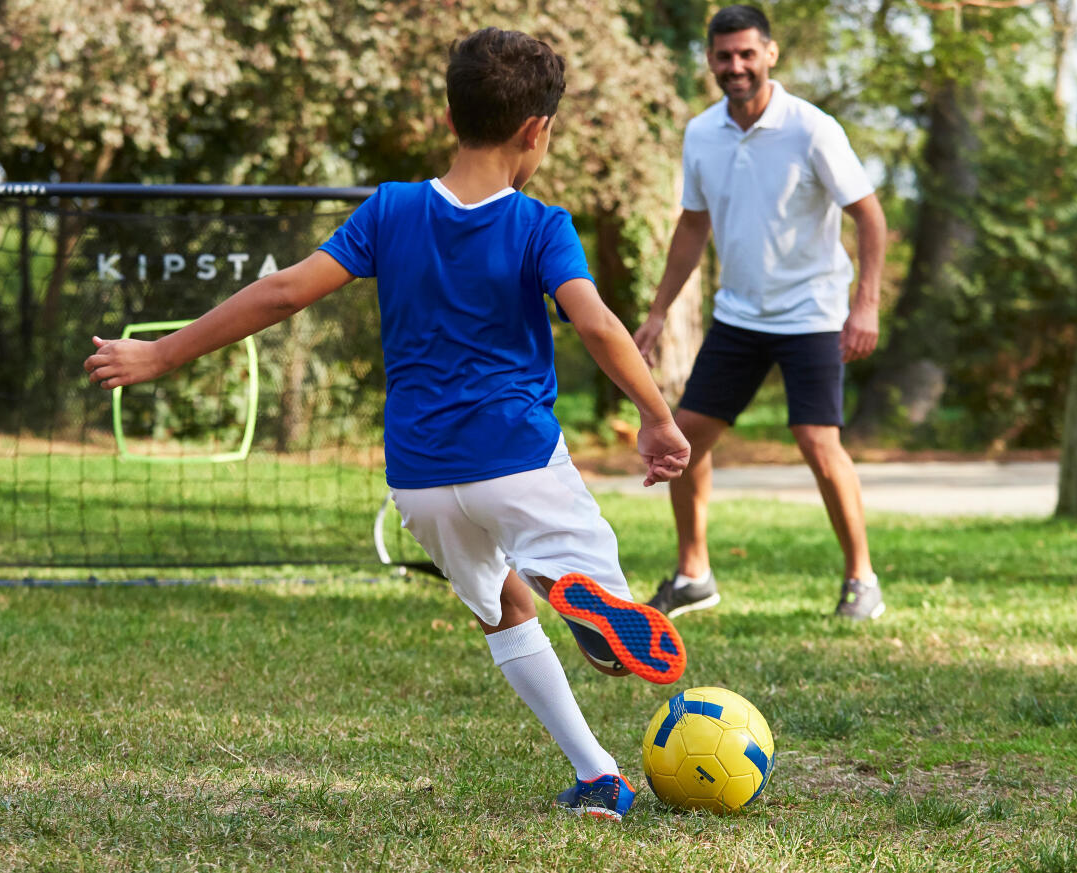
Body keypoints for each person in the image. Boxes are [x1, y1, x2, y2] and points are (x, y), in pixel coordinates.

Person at [84, 27, 692, 822]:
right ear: (535, 131)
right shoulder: (542, 226)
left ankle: (598, 775)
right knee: (606, 646)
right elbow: (598, 325)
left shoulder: (392, 209)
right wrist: (657, 415)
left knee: (499, 609)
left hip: (421, 476)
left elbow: (283, 293)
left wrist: (162, 354)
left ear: (450, 115)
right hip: (517, 458)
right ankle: (578, 591)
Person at [633, 5, 891, 621]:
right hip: (740, 316)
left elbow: (870, 216)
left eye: (747, 54)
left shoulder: (812, 128)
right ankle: (693, 573)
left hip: (812, 312)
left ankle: (862, 578)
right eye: (724, 56)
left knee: (816, 440)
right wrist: (658, 312)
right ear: (711, 60)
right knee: (687, 436)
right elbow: (693, 227)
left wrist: (866, 306)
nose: (736, 66)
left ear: (770, 54)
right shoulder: (701, 133)